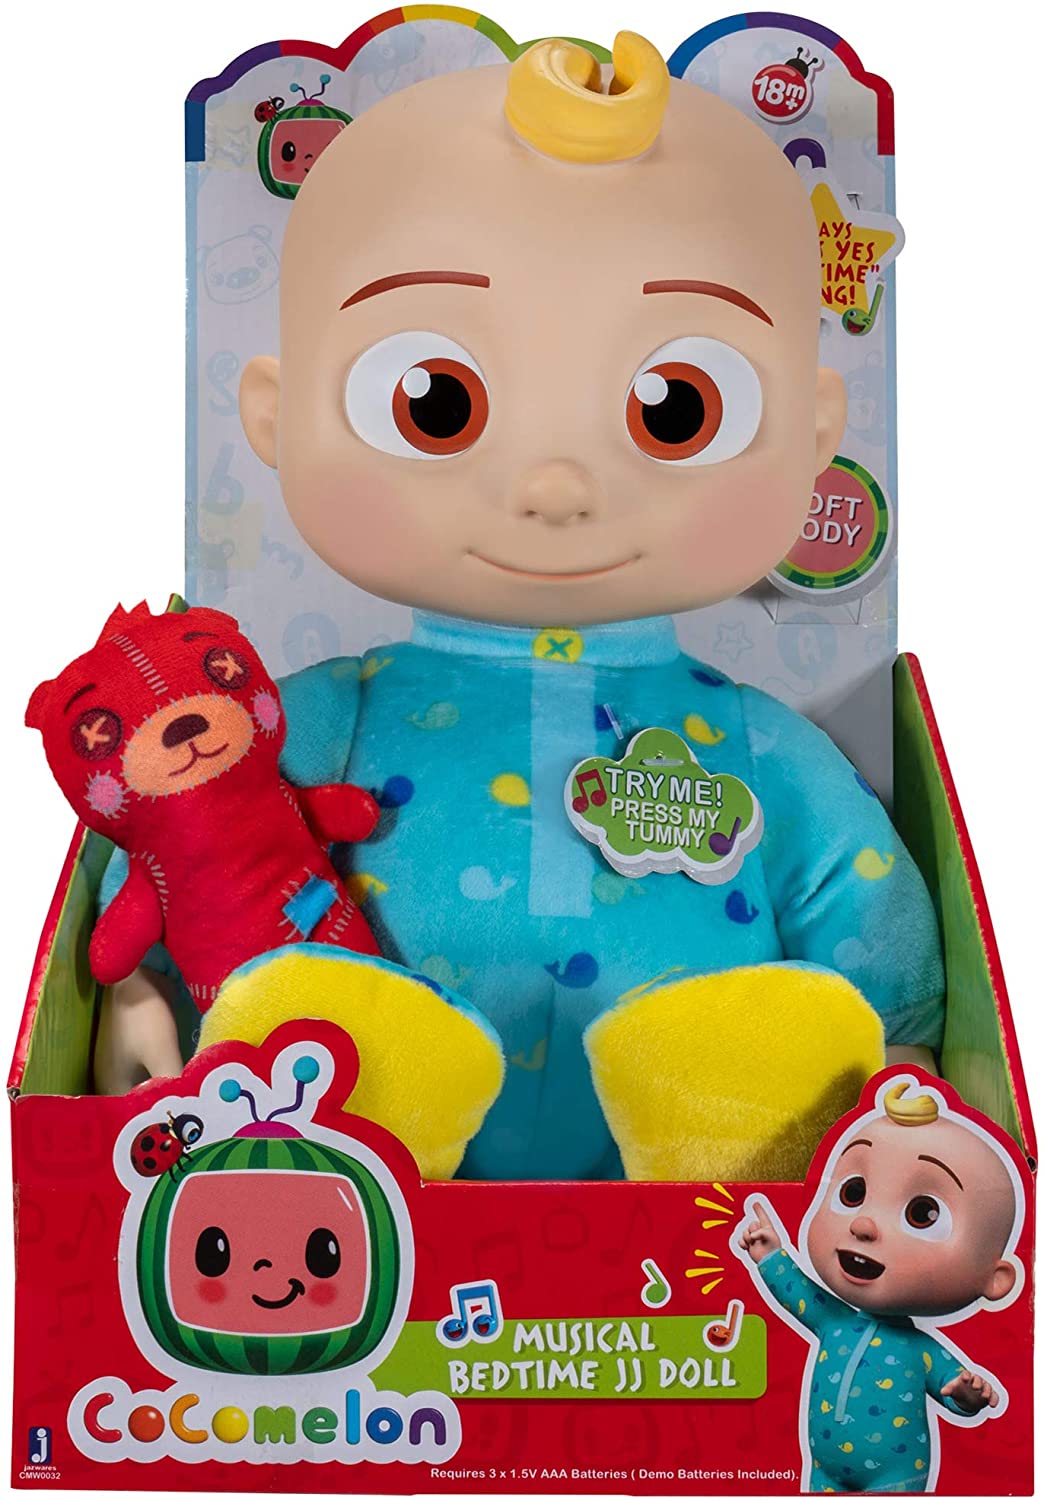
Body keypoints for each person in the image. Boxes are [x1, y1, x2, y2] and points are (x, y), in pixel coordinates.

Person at [103, 33, 943, 1183]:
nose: (555, 485)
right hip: (353, 1191)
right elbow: (195, 834)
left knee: (766, 1044)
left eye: (676, 408)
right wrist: (137, 987)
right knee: (322, 1023)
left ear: (813, 433)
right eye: (437, 402)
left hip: (698, 1225)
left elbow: (858, 896)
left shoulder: (758, 744)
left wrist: (898, 1048)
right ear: (274, 415)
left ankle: (731, 1134)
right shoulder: (313, 719)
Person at [738, 1080, 1021, 1492]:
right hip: (824, 1472)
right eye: (854, 1192)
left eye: (923, 1213)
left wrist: (967, 1394)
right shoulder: (833, 1321)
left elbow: (952, 1389)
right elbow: (798, 1292)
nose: (864, 1224)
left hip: (896, 1478)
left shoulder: (920, 1350)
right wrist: (771, 1255)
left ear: (995, 1279)